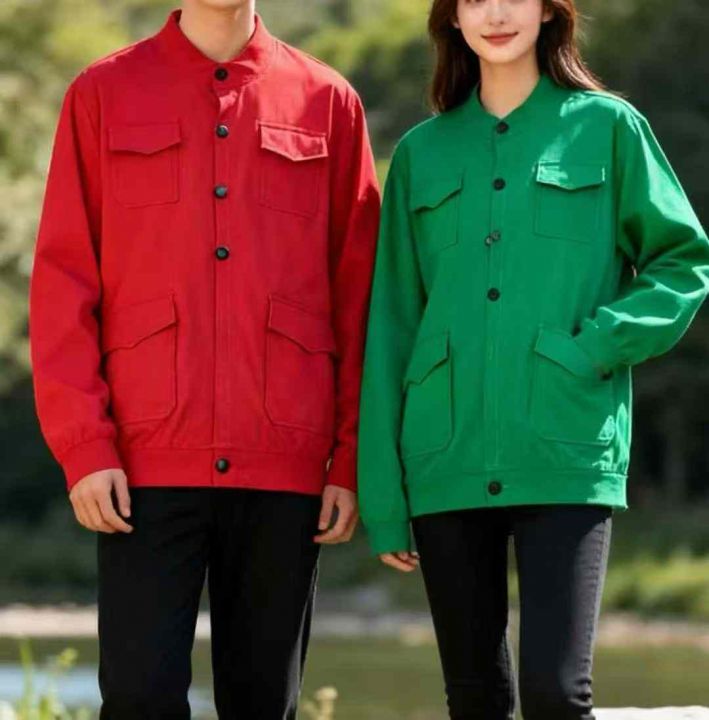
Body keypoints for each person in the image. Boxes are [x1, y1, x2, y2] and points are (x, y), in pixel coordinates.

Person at [357, 0, 709, 718]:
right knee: (474, 696)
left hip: (566, 442)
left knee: (556, 693)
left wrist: (597, 346)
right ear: (452, 18)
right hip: (444, 453)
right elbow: (392, 323)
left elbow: (681, 264)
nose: (495, 13)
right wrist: (385, 502)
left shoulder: (608, 127)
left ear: (549, 11)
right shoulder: (422, 153)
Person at [28, 1, 380, 718]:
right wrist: (84, 444)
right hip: (142, 462)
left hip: (286, 455)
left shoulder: (328, 100)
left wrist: (349, 459)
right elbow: (63, 281)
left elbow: (360, 296)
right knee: (138, 699)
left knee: (264, 703)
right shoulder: (102, 93)